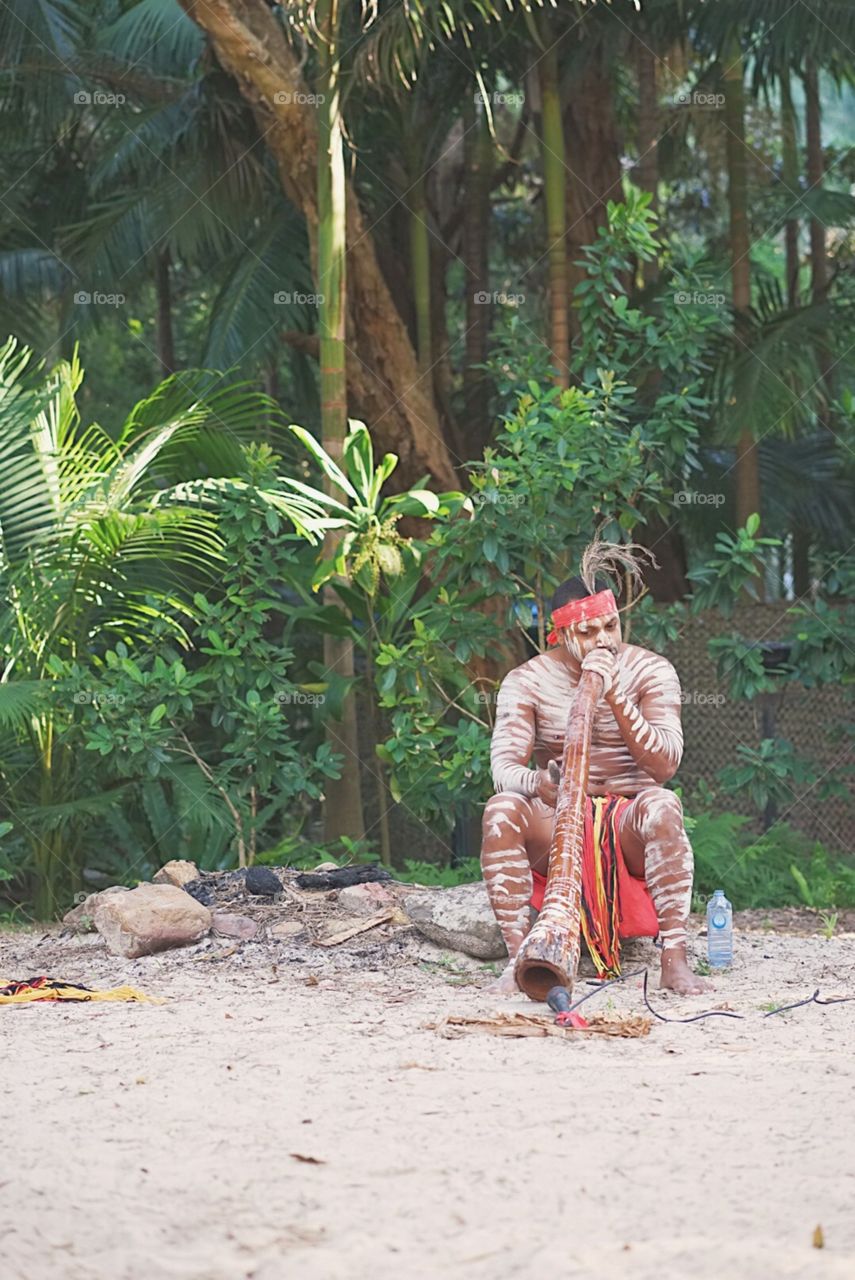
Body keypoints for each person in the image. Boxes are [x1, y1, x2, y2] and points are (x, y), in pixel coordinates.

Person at [481, 542, 712, 997]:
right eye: (588, 632)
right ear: (559, 635)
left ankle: (675, 959)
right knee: (501, 808)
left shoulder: (651, 670)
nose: (603, 640)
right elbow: (503, 767)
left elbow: (665, 765)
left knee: (664, 806)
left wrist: (614, 695)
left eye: (610, 626)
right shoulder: (526, 681)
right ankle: (518, 962)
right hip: (559, 818)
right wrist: (538, 783)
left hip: (628, 817)